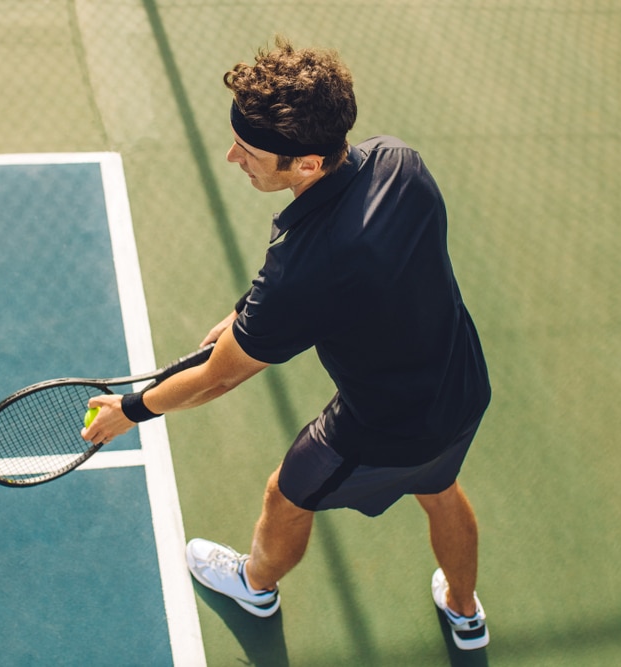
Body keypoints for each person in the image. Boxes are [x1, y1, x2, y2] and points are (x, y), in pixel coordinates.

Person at [82, 37, 492, 651]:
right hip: (461, 386)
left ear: (306, 164)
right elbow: (339, 284)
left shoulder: (306, 272)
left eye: (249, 152)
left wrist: (132, 409)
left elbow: (221, 375)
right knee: (438, 490)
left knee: (285, 493)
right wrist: (250, 313)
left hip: (384, 429)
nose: (231, 158)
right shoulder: (399, 162)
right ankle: (465, 612)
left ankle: (254, 583)